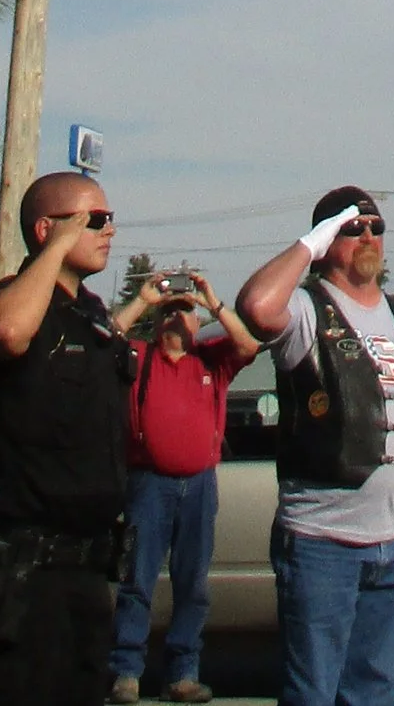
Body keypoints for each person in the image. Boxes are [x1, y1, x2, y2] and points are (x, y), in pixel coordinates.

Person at [236, 187, 394, 706]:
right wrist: (307, 247)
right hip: (321, 540)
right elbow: (256, 307)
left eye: (375, 227)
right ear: (326, 239)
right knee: (312, 693)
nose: (367, 236)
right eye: (352, 227)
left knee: (376, 694)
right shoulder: (307, 310)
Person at [0, 169, 136, 706]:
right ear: (45, 228)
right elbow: (9, 334)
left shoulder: (91, 316)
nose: (108, 230)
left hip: (84, 569)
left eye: (109, 219)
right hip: (19, 570)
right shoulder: (15, 302)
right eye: (93, 220)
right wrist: (53, 252)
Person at [107, 267, 261, 706]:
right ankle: (126, 673)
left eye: (185, 311)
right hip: (148, 485)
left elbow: (249, 345)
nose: (178, 317)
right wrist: (144, 299)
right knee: (137, 581)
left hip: (199, 486)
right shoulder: (138, 359)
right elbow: (104, 338)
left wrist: (212, 301)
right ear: (157, 323)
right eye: (170, 311)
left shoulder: (212, 360)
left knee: (192, 584)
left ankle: (183, 674)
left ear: (198, 321)